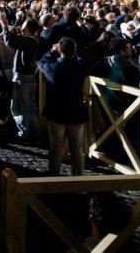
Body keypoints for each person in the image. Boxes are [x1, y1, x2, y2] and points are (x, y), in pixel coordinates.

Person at [39, 37, 89, 176]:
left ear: (59, 49)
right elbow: (86, 62)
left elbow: (42, 63)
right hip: (76, 111)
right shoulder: (80, 67)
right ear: (75, 50)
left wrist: (51, 51)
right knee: (76, 149)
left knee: (56, 148)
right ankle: (78, 180)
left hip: (57, 111)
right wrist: (78, 52)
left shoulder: (53, 67)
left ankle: (53, 177)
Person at [0, 12, 40, 141]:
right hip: (29, 77)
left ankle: (23, 133)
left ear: (27, 28)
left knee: (19, 107)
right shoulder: (32, 41)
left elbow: (9, 41)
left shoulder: (29, 42)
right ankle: (33, 131)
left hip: (22, 78)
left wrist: (4, 25)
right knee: (29, 107)